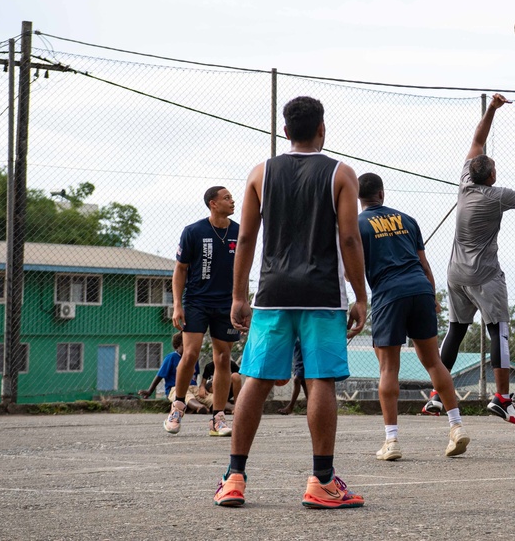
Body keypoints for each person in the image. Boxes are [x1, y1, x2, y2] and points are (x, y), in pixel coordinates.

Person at [216, 96, 367, 509]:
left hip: (272, 293)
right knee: (320, 380)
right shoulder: (341, 173)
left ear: (285, 131)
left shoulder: (260, 173)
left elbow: (245, 238)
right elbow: (349, 238)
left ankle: (234, 477)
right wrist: (360, 294)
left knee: (257, 380)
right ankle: (320, 481)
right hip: (322, 294)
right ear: (322, 129)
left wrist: (238, 295)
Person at [425, 93, 515, 425]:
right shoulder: (494, 195)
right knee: (498, 330)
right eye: (495, 168)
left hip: (455, 273)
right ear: (490, 176)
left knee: (455, 331)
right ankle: (502, 399)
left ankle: (436, 396)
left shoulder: (464, 181)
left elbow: (477, 139)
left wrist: (491, 110)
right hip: (483, 276)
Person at [357, 172, 470, 460]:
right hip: (419, 288)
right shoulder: (407, 220)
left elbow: (352, 270)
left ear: (359, 197)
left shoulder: (357, 225)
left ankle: (392, 441)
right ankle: (456, 426)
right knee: (433, 361)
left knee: (388, 368)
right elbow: (424, 263)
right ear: (382, 194)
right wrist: (430, 296)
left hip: (388, 294)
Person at [165, 186, 240, 437]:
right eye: (226, 198)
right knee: (191, 353)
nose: (232, 201)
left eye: (232, 197)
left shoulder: (239, 232)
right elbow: (180, 269)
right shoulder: (193, 231)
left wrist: (241, 301)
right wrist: (177, 305)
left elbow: (244, 269)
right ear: (212, 203)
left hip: (225, 304)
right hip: (196, 301)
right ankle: (177, 406)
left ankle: (217, 418)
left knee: (222, 359)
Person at [139, 332, 207, 414]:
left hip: (193, 387)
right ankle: (200, 407)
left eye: (189, 344)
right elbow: (159, 376)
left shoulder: (193, 358)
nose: (187, 347)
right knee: (187, 395)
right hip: (175, 388)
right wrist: (150, 391)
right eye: (184, 344)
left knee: (209, 397)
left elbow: (195, 376)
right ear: (177, 346)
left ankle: (217, 408)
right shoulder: (171, 357)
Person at [277, 339, 308, 415]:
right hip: (297, 356)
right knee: (303, 383)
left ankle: (290, 406)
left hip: (305, 356)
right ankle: (311, 407)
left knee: (297, 380)